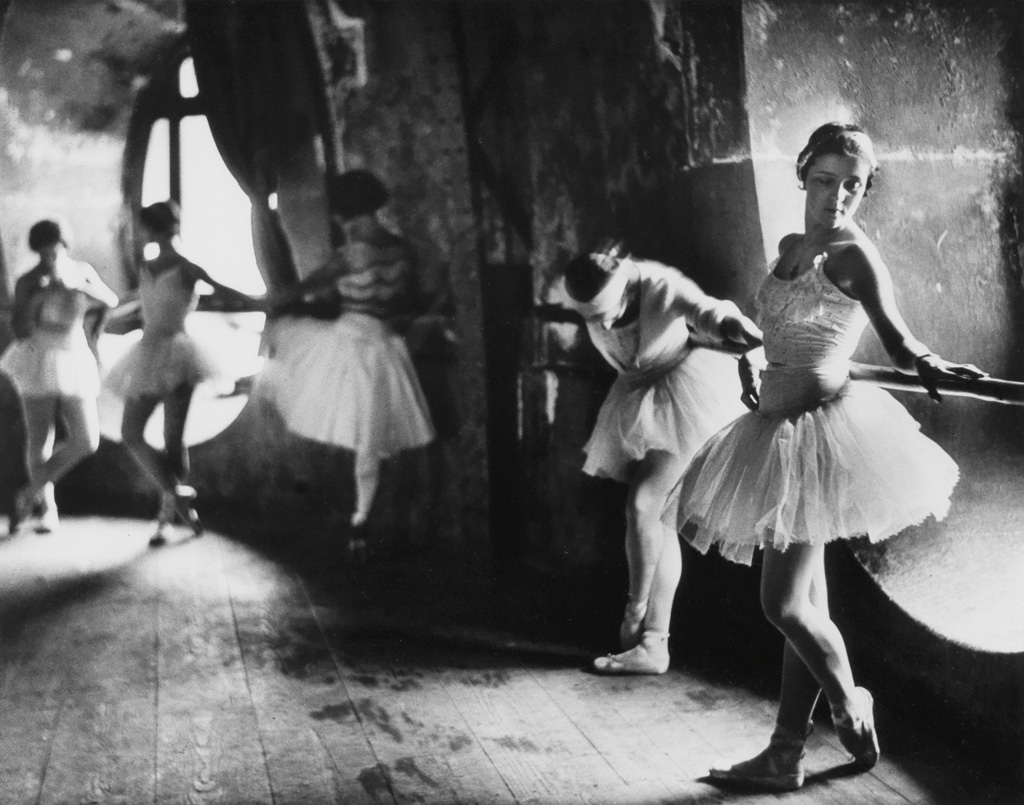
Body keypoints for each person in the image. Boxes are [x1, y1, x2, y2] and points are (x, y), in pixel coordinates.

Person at [665, 123, 986, 789]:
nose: (838, 196)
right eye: (825, 179)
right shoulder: (790, 247)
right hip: (771, 424)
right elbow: (775, 324)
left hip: (818, 435)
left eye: (854, 185)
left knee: (783, 604)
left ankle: (849, 702)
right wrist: (755, 360)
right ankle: (785, 751)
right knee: (805, 603)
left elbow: (898, 339)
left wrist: (933, 362)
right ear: (803, 174)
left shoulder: (854, 255)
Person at [558, 243, 761, 674]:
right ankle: (654, 643)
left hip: (687, 397)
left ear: (626, 284)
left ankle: (636, 609)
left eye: (610, 310)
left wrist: (745, 335)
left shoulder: (660, 285)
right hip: (637, 398)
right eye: (593, 318)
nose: (606, 323)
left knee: (643, 504)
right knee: (659, 520)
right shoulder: (596, 299)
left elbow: (709, 312)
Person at [262, 169, 435, 540]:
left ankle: (361, 522)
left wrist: (246, 301)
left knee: (365, 439)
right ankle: (362, 518)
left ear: (342, 211)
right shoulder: (403, 249)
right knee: (372, 441)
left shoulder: (348, 255)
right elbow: (409, 301)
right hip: (388, 346)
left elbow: (289, 294)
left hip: (354, 344)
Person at [103, 200, 263, 546]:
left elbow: (226, 292)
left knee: (173, 440)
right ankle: (179, 496)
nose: (144, 234)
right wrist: (106, 314)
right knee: (131, 432)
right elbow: (138, 299)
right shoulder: (146, 265)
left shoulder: (187, 267)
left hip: (179, 353)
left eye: (147, 228)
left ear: (158, 229)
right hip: (146, 350)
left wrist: (264, 304)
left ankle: (167, 515)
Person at [0, 219, 118, 533]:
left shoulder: (82, 270)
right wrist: (39, 297)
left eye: (55, 247)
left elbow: (111, 301)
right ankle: (47, 507)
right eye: (42, 250)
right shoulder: (28, 280)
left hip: (75, 354)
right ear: (36, 250)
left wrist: (79, 288)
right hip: (38, 355)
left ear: (64, 244)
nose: (49, 255)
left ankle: (28, 493)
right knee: (40, 436)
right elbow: (20, 330)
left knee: (87, 439)